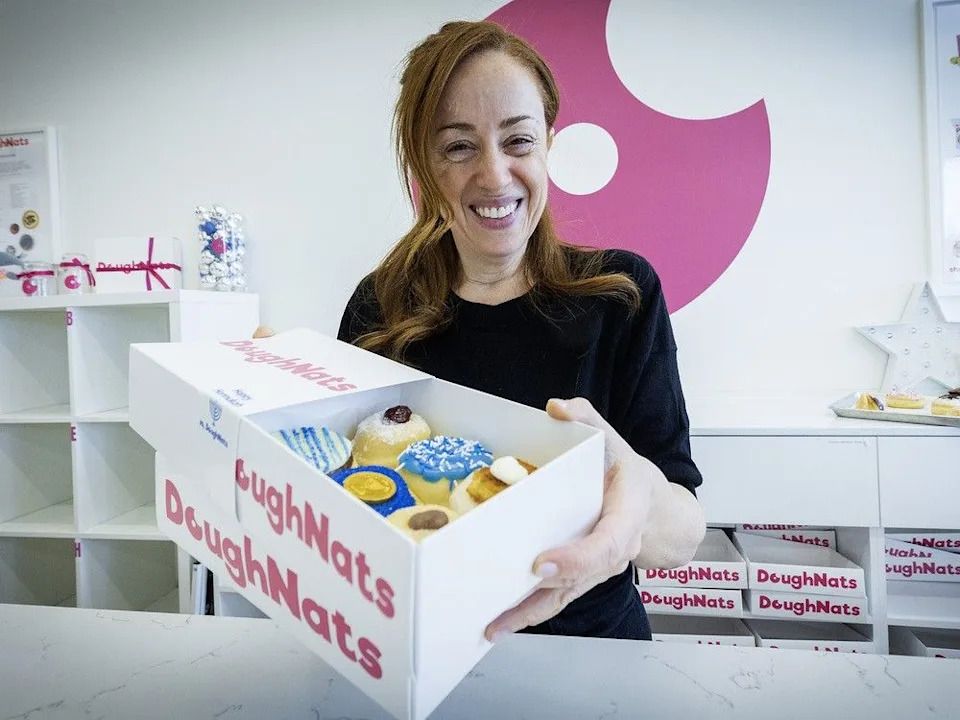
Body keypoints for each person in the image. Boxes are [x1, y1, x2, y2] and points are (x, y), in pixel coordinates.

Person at [334, 20, 707, 642]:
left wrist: (624, 472)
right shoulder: (381, 309)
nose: (495, 175)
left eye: (518, 141)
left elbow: (683, 536)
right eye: (458, 146)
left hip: (592, 654)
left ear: (548, 146)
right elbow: (347, 504)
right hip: (424, 650)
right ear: (423, 163)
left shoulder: (622, 295)